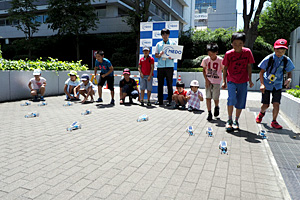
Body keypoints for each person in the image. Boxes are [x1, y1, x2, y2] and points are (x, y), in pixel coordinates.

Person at [256, 39, 295, 129]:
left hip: (277, 85)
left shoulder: (286, 60)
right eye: (278, 50)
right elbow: (261, 72)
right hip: (267, 84)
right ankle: (261, 113)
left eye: (282, 50)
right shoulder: (269, 58)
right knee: (266, 105)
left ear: (285, 51)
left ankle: (274, 121)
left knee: (276, 103)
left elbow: (289, 73)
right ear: (274, 49)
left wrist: (289, 79)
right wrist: (262, 84)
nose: (280, 52)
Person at [222, 32, 255, 131]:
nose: (237, 46)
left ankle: (236, 120)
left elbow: (249, 66)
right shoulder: (229, 54)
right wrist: (224, 81)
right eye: (235, 44)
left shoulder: (247, 52)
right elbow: (225, 68)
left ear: (243, 43)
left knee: (240, 101)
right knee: (231, 99)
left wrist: (250, 80)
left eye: (240, 44)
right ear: (232, 43)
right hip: (231, 80)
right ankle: (229, 120)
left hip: (243, 80)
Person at [201, 43, 224, 120]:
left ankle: (216, 106)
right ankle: (209, 112)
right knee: (208, 97)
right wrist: (206, 80)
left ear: (216, 52)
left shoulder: (220, 60)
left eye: (212, 54)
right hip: (208, 80)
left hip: (217, 81)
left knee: (215, 97)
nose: (211, 55)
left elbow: (225, 70)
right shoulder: (205, 60)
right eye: (209, 53)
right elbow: (204, 70)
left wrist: (224, 81)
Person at [155, 28, 176, 106]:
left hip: (169, 67)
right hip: (160, 67)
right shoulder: (158, 44)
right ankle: (160, 101)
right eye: (163, 34)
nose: (165, 36)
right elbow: (156, 55)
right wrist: (159, 55)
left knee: (169, 84)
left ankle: (170, 100)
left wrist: (172, 57)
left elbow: (176, 55)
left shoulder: (173, 43)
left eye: (166, 34)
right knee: (160, 84)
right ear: (161, 35)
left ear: (169, 35)